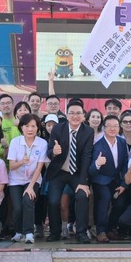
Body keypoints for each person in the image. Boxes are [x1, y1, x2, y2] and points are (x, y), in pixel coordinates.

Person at [45, 100, 94, 243]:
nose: (75, 116)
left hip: (77, 173)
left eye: (78, 113)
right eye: (72, 113)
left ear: (83, 116)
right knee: (53, 201)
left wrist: (84, 181)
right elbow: (49, 152)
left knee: (82, 196)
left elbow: (86, 157)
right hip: (59, 171)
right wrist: (54, 152)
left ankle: (81, 232)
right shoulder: (58, 129)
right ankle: (55, 232)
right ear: (66, 115)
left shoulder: (88, 131)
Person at [7, 114, 48, 244]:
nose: (30, 129)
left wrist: (30, 187)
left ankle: (29, 233)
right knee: (18, 207)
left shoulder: (42, 143)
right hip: (15, 180)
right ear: (21, 127)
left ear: (37, 128)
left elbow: (39, 167)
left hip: (33, 179)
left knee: (28, 199)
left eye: (33, 126)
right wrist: (21, 162)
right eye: (27, 126)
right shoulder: (15, 142)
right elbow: (11, 166)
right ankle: (18, 232)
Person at [89, 115, 130, 243]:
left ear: (119, 127)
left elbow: (125, 164)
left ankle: (111, 228)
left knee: (121, 201)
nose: (112, 129)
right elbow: (91, 170)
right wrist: (97, 163)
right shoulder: (98, 145)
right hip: (100, 180)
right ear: (104, 128)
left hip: (116, 180)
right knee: (105, 198)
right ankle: (100, 231)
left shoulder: (122, 142)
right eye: (109, 126)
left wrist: (124, 183)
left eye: (115, 126)